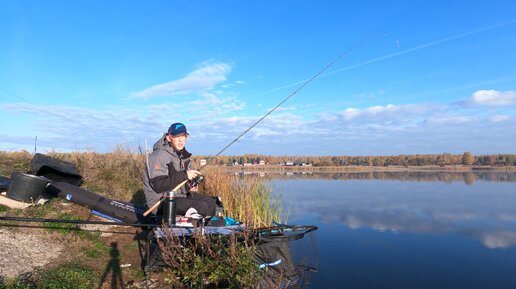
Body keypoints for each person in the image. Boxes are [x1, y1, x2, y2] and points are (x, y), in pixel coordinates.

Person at [143, 122, 218, 218]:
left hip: (179, 197)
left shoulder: (183, 157)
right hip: (160, 202)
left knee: (210, 202)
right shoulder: (158, 156)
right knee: (200, 207)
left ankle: (205, 229)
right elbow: (159, 185)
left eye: (183, 136)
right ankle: (189, 230)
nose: (181, 140)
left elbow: (179, 182)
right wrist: (185, 175)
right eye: (177, 136)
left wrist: (190, 185)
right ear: (169, 137)